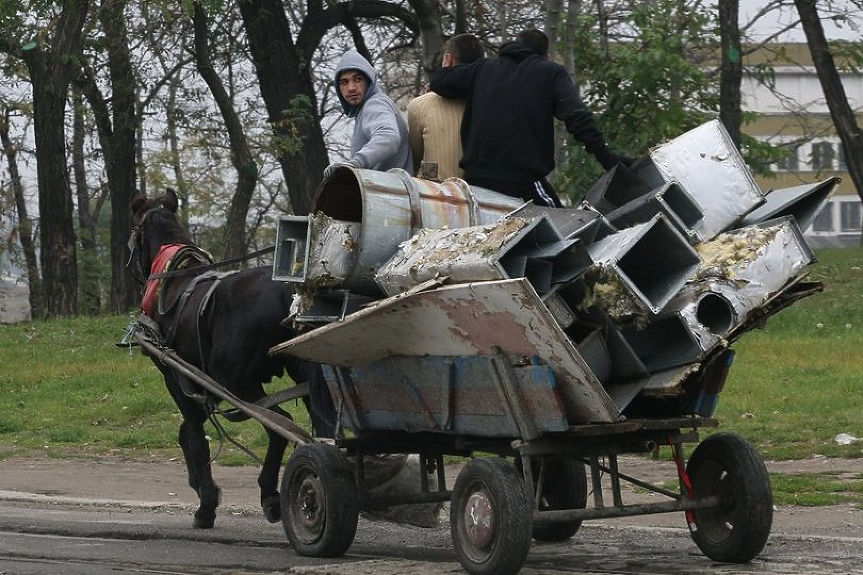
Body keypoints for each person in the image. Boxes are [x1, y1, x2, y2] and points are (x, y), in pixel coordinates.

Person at [430, 29, 631, 207]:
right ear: (547, 55)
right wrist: (608, 159)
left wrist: (447, 66)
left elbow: (439, 82)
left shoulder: (483, 68)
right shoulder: (550, 72)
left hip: (476, 180)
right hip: (521, 181)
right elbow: (577, 118)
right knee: (569, 229)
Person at [407, 34, 485, 180]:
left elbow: (414, 157)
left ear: (448, 60)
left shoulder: (420, 106)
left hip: (434, 195)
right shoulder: (492, 103)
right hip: (483, 195)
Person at [325, 50, 412, 177]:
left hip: (389, 193)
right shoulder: (367, 107)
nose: (351, 88)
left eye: (358, 79)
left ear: (369, 81)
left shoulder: (374, 104)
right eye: (344, 82)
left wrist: (356, 163)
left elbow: (388, 137)